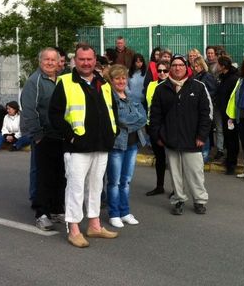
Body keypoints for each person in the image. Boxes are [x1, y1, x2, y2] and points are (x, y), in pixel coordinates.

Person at [49, 43, 119, 247]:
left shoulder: (102, 83)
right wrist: (70, 136)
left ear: (95, 60)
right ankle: (74, 229)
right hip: (77, 146)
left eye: (89, 59)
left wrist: (113, 132)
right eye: (82, 59)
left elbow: (111, 109)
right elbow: (54, 114)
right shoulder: (65, 82)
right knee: (75, 188)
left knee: (96, 187)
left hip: (101, 144)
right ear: (75, 60)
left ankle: (95, 225)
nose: (86, 63)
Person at [149, 54, 211, 215]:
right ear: (170, 68)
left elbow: (206, 113)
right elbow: (155, 115)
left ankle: (199, 200)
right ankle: (178, 200)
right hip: (171, 140)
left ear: (186, 67)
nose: (177, 68)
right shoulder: (161, 88)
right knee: (175, 175)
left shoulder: (198, 87)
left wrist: (201, 136)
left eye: (181, 65)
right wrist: (158, 137)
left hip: (192, 140)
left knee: (196, 173)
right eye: (174, 65)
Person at [21, 47, 64, 230]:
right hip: (43, 137)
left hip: (59, 136)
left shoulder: (61, 80)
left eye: (53, 60)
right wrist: (37, 135)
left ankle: (56, 209)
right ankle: (42, 214)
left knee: (59, 176)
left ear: (58, 62)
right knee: (43, 176)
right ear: (40, 61)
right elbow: (29, 110)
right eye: (46, 59)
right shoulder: (35, 81)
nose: (49, 62)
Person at [106, 64, 148, 228]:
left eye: (123, 78)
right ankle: (114, 213)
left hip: (132, 144)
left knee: (126, 181)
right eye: (117, 78)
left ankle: (125, 212)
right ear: (112, 80)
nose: (121, 81)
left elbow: (143, 117)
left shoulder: (130, 97)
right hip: (117, 145)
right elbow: (120, 119)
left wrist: (132, 122)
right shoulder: (110, 98)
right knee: (114, 182)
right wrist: (134, 122)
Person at [145, 60, 170, 196]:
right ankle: (159, 186)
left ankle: (177, 189)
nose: (162, 73)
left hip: (169, 127)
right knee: (159, 158)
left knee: (173, 160)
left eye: (165, 71)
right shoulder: (151, 85)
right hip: (153, 125)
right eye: (159, 70)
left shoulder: (173, 85)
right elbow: (147, 104)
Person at [216, 55, 240, 174]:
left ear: (223, 66)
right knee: (228, 137)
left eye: (218, 64)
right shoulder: (223, 77)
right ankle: (229, 159)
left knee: (232, 139)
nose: (216, 67)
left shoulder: (233, 78)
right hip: (224, 112)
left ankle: (232, 163)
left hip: (231, 114)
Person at [192, 56, 217, 162]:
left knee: (204, 132)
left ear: (202, 65)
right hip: (197, 108)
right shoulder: (197, 76)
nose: (195, 68)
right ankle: (201, 155)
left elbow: (213, 91)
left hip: (205, 107)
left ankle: (205, 155)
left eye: (197, 66)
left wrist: (203, 99)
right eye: (194, 66)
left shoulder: (207, 76)